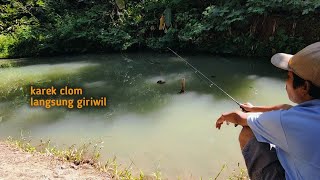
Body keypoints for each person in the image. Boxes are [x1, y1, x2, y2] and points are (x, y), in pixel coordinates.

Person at [216, 42, 320, 180]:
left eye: (289, 77)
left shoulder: (287, 121)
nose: (286, 82)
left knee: (249, 131)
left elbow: (239, 118)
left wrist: (224, 117)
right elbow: (284, 107)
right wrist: (253, 109)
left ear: (305, 87)